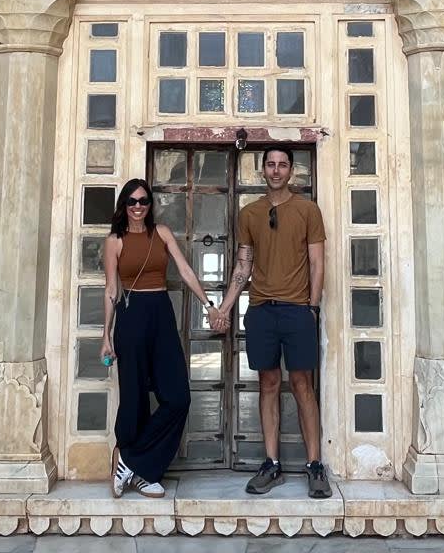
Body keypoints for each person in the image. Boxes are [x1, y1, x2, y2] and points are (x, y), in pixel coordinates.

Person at [211, 146, 331, 498]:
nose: (276, 170)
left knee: (303, 385)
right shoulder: (250, 213)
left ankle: (314, 465)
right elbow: (243, 266)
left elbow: (317, 263)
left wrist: (311, 308)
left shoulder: (308, 210)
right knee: (268, 384)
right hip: (261, 310)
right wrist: (226, 307)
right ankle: (272, 464)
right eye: (270, 164)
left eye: (282, 165)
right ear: (262, 170)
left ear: (291, 171)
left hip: (298, 310)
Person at [101, 178, 215, 498]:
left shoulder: (161, 233)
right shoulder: (115, 241)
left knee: (178, 397)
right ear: (124, 205)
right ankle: (143, 472)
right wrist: (106, 335)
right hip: (131, 314)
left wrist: (208, 304)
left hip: (161, 312)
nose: (138, 207)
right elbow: (111, 289)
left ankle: (131, 460)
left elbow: (185, 270)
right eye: (132, 201)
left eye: (143, 201)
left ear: (150, 205)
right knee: (134, 397)